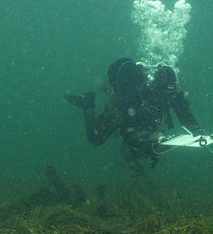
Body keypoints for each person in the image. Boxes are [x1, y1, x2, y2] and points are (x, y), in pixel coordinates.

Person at [67, 58, 203, 167]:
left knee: (145, 135)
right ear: (155, 88)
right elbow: (126, 128)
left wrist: (196, 129)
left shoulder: (172, 92)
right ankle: (87, 103)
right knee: (96, 137)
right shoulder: (135, 95)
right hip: (125, 111)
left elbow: (183, 111)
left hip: (139, 117)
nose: (167, 99)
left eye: (170, 95)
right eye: (163, 95)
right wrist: (142, 144)